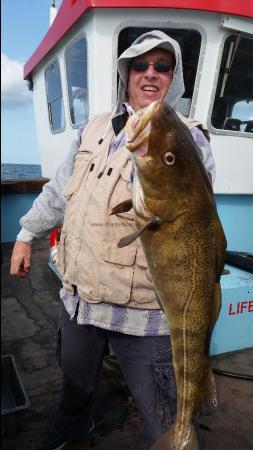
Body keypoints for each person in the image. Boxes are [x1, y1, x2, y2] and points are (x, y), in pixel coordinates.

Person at [10, 30, 215, 450]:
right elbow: (57, 192)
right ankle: (70, 429)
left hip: (143, 313)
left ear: (173, 77)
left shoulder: (190, 140)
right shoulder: (92, 129)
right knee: (75, 382)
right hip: (81, 299)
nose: (150, 74)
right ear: (126, 73)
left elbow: (192, 216)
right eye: (140, 65)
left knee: (165, 411)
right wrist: (25, 234)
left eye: (162, 66)